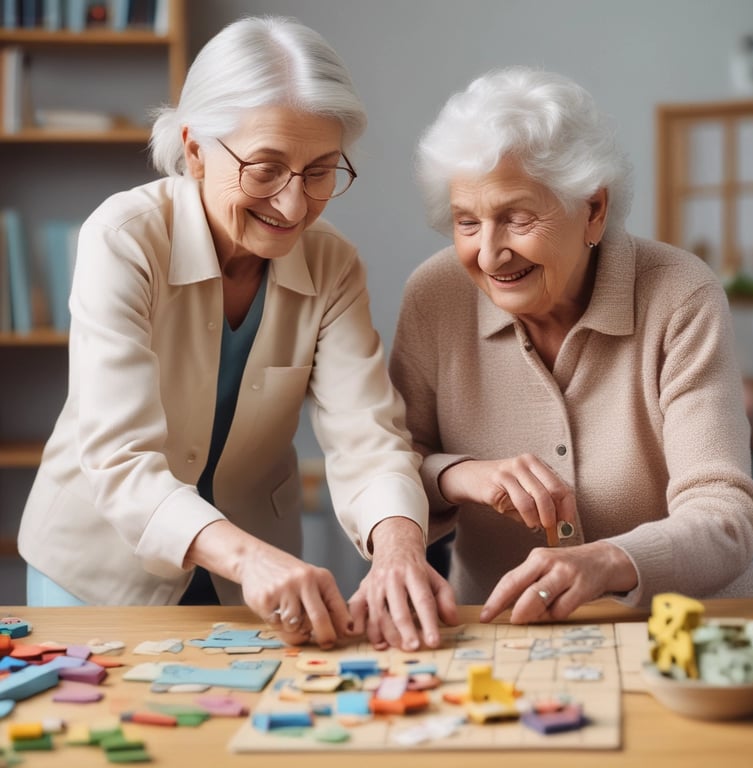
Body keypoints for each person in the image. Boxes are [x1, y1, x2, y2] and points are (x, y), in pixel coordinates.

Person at [18, 15, 456, 652]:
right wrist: (252, 561)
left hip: (258, 582)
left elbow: (369, 440)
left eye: (320, 171)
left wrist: (398, 548)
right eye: (266, 168)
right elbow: (122, 460)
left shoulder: (334, 265)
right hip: (99, 573)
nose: (293, 206)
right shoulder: (125, 239)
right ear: (195, 148)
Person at [389, 66, 753, 625]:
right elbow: (392, 464)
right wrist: (460, 474)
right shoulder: (435, 295)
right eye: (467, 222)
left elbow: (726, 512)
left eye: (517, 218)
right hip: (502, 636)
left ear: (593, 208)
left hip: (685, 630)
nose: (490, 254)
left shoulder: (680, 293)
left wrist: (610, 560)